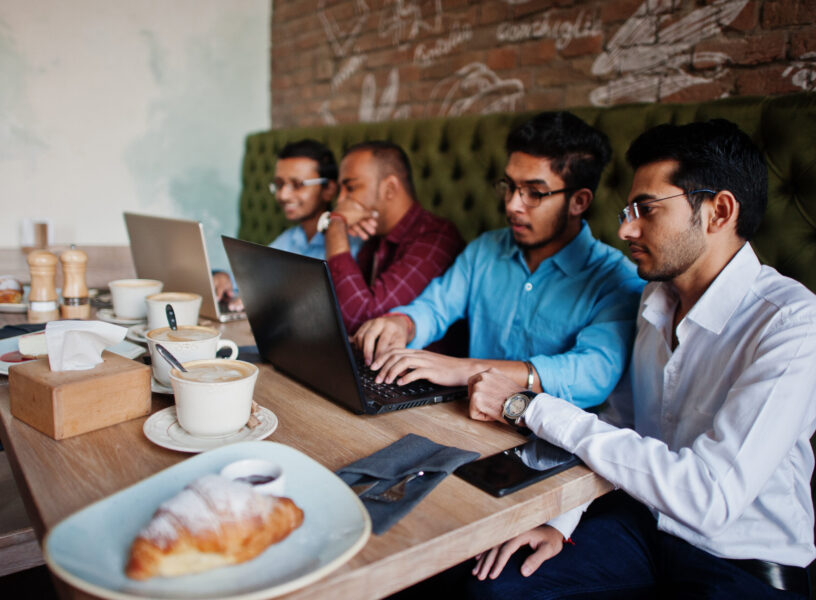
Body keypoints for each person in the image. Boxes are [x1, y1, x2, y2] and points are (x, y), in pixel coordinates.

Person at [467, 119, 816, 598]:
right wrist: (564, 519)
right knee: (495, 586)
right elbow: (622, 421)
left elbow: (708, 497)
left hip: (741, 558)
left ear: (719, 211)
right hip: (642, 527)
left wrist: (531, 406)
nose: (626, 227)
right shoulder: (655, 299)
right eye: (629, 209)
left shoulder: (791, 323)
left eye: (646, 209)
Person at [352, 112, 643, 409]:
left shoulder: (617, 280)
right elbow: (435, 306)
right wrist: (404, 323)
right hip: (467, 418)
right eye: (509, 186)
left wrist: (464, 369)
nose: (512, 205)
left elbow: (590, 376)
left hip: (550, 440)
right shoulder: (485, 250)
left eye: (534, 193)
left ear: (579, 201)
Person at [324, 141, 464, 334]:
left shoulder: (437, 237)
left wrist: (335, 227)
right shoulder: (374, 237)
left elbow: (361, 318)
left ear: (389, 188)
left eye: (351, 188)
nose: (340, 201)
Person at [213, 139, 362, 309]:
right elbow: (248, 275)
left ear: (328, 189)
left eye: (297, 185)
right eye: (279, 184)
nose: (283, 195)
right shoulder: (290, 239)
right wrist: (222, 276)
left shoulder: (353, 243)